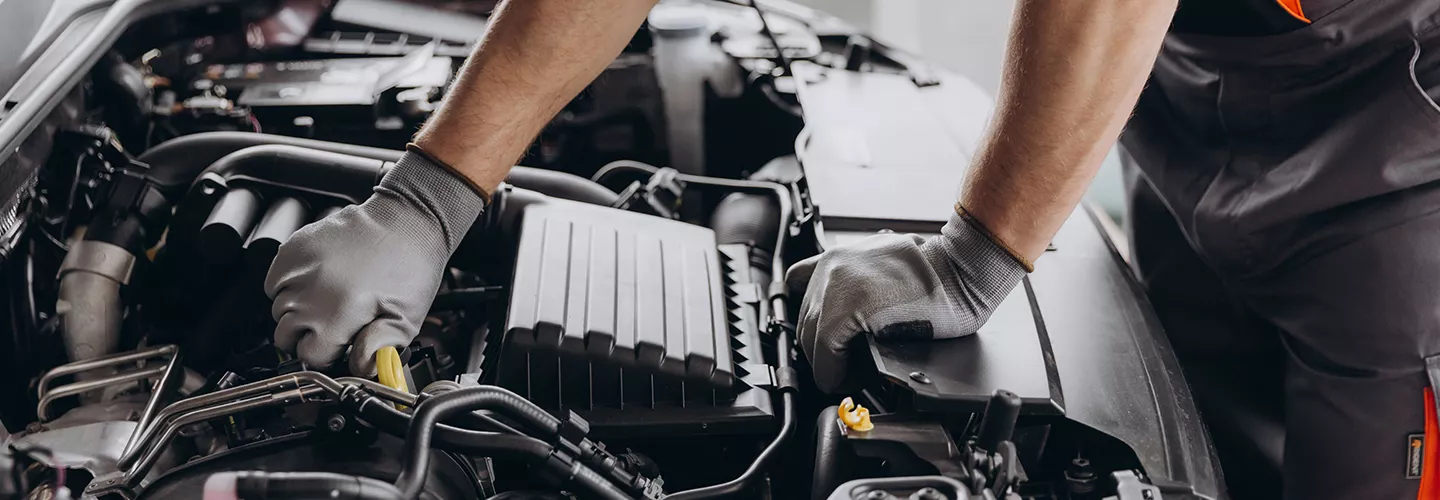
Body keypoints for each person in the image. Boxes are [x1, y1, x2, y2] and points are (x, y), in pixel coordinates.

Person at [264, 0, 1440, 498]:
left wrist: (975, 254)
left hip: (1404, 126)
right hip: (1206, 71)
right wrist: (426, 195)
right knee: (1222, 429)